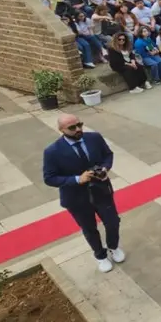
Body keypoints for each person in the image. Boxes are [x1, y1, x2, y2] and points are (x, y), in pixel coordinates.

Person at [42, 114, 123, 273]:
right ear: (61, 130)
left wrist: (105, 169)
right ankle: (100, 256)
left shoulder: (94, 138)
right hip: (76, 198)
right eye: (72, 127)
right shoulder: (52, 151)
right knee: (89, 228)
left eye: (80, 124)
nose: (78, 129)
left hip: (101, 190)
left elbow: (108, 155)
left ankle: (113, 247)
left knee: (113, 221)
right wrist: (77, 179)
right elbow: (49, 178)